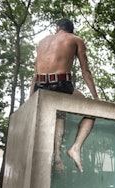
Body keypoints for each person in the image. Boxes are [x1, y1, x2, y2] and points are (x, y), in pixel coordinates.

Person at [30, 18, 100, 173]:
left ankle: (57, 159)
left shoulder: (42, 42)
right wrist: (96, 98)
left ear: (57, 28)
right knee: (91, 111)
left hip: (40, 87)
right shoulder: (75, 40)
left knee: (60, 115)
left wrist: (30, 99)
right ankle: (74, 148)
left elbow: (35, 74)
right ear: (71, 30)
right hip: (60, 85)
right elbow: (85, 71)